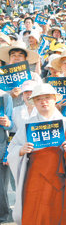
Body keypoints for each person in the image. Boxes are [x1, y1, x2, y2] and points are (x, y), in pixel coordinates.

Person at [7, 83, 66, 224]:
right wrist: (21, 150)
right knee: (36, 211)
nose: (44, 101)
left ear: (55, 99)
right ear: (34, 103)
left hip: (59, 177)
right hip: (35, 177)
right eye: (39, 99)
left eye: (47, 98)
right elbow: (12, 149)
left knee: (58, 211)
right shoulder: (27, 125)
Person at [0, 86, 14, 223]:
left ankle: (4, 216)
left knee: (1, 189)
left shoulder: (5, 97)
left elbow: (10, 124)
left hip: (1, 146)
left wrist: (7, 123)